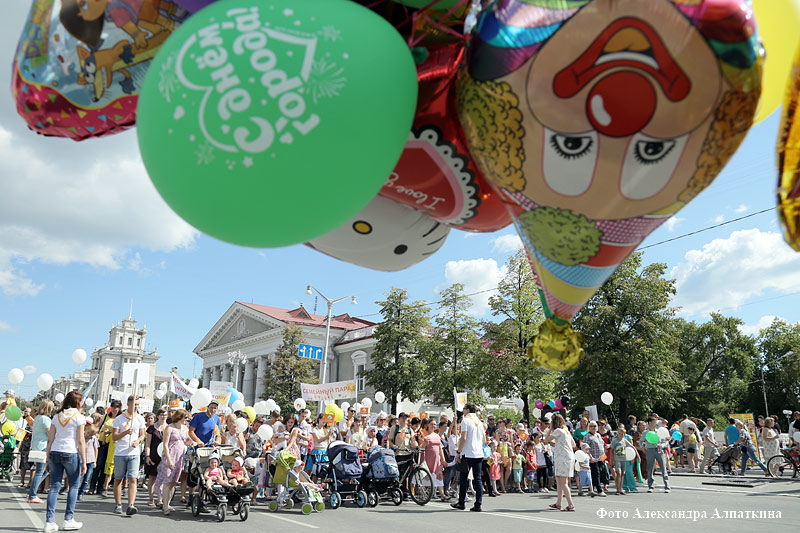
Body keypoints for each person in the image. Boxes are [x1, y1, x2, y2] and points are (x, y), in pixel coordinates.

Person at [43, 391, 87, 532]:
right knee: (73, 486)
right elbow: (81, 441)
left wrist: (47, 458)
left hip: (55, 451)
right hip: (70, 452)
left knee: (54, 487)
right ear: (78, 402)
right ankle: (68, 519)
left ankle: (49, 521)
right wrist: (84, 461)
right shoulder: (79, 417)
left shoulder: (57, 416)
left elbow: (50, 439)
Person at [112, 395, 146, 516]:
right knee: (118, 479)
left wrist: (138, 441)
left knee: (133, 478)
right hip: (120, 453)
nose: (136, 407)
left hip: (134, 453)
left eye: (138, 404)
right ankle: (118, 504)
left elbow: (143, 435)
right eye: (134, 404)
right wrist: (126, 432)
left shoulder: (140, 418)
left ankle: (131, 505)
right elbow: (114, 437)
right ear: (128, 404)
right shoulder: (119, 418)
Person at [451, 403, 486, 512]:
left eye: (464, 409)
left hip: (467, 453)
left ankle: (461, 503)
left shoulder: (465, 420)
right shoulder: (480, 422)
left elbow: (464, 437)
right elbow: (484, 440)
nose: (463, 411)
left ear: (468, 410)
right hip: (478, 454)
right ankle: (478, 504)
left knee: (463, 478)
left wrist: (459, 451)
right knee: (478, 479)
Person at [154, 409, 188, 516]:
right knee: (167, 481)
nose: (186, 419)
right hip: (170, 456)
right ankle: (164, 506)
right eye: (185, 417)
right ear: (179, 417)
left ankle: (168, 503)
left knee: (174, 481)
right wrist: (168, 460)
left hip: (180, 457)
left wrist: (195, 442)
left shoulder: (185, 428)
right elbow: (165, 444)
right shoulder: (169, 428)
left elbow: (187, 440)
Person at [543, 414, 575, 512]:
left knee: (563, 482)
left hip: (562, 458)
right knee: (559, 480)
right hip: (568, 457)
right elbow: (573, 444)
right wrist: (559, 443)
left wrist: (550, 429)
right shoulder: (566, 431)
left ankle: (571, 504)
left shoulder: (558, 430)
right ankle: (558, 503)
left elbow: (545, 440)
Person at [89, 399, 121, 497]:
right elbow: (98, 427)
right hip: (102, 441)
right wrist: (97, 434)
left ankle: (101, 487)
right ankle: (92, 487)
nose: (114, 409)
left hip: (112, 443)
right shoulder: (106, 416)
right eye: (113, 407)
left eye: (116, 407)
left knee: (106, 466)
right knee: (98, 464)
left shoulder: (120, 418)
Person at [27, 400, 54, 504]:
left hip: (36, 445)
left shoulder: (38, 417)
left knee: (43, 471)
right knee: (41, 471)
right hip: (43, 447)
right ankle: (32, 495)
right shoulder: (46, 419)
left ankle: (32, 491)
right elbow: (50, 434)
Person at [420, 418, 448, 501]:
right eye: (432, 424)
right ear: (428, 425)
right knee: (426, 475)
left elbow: (440, 449)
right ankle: (423, 493)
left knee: (439, 476)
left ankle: (442, 494)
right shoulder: (425, 435)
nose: (433, 426)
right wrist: (424, 443)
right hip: (428, 458)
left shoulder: (437, 436)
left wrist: (443, 460)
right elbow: (421, 447)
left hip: (436, 459)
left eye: (435, 424)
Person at [641, 416, 670, 493]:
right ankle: (650, 486)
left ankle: (667, 486)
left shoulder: (659, 431)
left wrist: (662, 445)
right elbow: (641, 441)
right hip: (650, 450)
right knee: (650, 468)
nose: (656, 424)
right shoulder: (645, 432)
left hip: (659, 450)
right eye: (654, 422)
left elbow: (665, 441)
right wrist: (642, 448)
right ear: (650, 423)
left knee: (663, 468)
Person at [144, 409, 167, 506]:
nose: (163, 416)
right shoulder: (152, 428)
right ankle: (151, 498)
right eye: (161, 414)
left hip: (165, 456)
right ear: (157, 416)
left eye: (165, 415)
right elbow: (148, 444)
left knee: (163, 478)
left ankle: (160, 499)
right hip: (153, 455)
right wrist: (147, 456)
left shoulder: (169, 428)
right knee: (152, 477)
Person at [77, 419, 99, 501]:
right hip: (81, 459)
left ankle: (81, 492)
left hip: (90, 460)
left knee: (87, 478)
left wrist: (95, 461)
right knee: (78, 477)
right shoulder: (81, 436)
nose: (89, 435)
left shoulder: (93, 438)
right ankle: (75, 491)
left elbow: (96, 449)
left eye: (91, 434)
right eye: (89, 433)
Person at [609, 426, 632, 495]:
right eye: (619, 433)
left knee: (622, 474)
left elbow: (631, 447)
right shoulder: (615, 441)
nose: (620, 435)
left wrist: (635, 456)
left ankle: (620, 488)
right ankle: (617, 489)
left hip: (623, 459)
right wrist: (612, 460)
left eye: (622, 434)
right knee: (618, 473)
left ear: (624, 434)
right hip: (617, 459)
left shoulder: (624, 441)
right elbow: (611, 450)